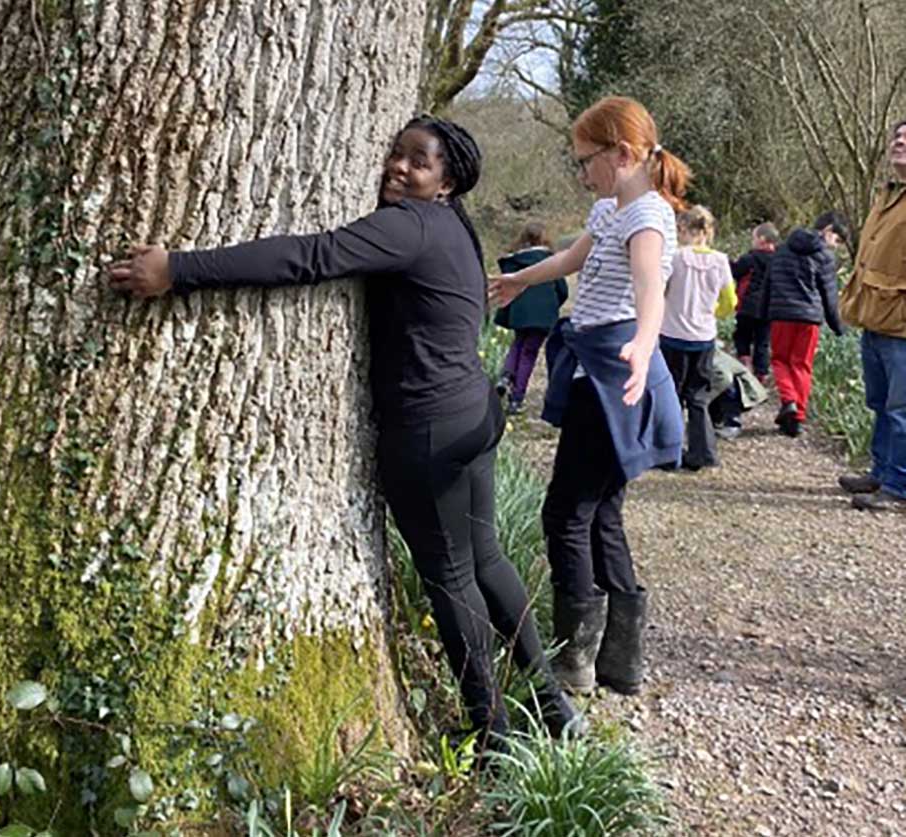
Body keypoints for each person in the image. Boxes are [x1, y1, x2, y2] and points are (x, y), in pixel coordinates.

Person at [107, 115, 581, 746]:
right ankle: (552, 707)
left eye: (419, 161)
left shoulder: (409, 225)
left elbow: (311, 257)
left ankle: (492, 735)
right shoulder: (453, 229)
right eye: (396, 153)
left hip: (431, 429)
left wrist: (181, 269)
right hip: (472, 412)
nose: (398, 166)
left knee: (451, 577)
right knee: (485, 558)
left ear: (446, 181)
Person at [489, 96, 687, 696]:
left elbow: (652, 289)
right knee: (601, 510)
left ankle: (575, 662)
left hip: (615, 372)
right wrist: (519, 278)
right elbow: (573, 259)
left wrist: (645, 343)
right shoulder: (608, 211)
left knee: (566, 513)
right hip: (595, 366)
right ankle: (619, 662)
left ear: (622, 154)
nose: (582, 173)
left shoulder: (648, 217)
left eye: (587, 161)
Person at [838, 119, 906, 513]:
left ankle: (899, 485)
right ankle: (881, 472)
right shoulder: (888, 194)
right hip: (876, 318)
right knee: (880, 403)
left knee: (902, 409)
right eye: (895, 137)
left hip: (900, 325)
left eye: (905, 139)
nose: (897, 142)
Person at [660, 205, 735, 470]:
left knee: (671, 394)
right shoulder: (721, 260)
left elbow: (661, 289)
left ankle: (668, 452)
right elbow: (730, 302)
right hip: (703, 336)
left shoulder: (675, 258)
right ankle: (703, 453)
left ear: (685, 229)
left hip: (672, 333)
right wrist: (711, 311)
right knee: (699, 396)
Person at [765, 210, 847, 437]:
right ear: (828, 230)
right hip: (809, 318)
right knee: (801, 365)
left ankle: (789, 401)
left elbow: (768, 285)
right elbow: (829, 294)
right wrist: (837, 325)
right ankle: (798, 417)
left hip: (781, 315)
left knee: (780, 361)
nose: (836, 246)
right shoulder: (825, 257)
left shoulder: (781, 251)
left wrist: (761, 315)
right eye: (837, 240)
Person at [493, 221, 568, 415]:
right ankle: (516, 398)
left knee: (518, 343)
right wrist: (551, 306)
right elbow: (563, 290)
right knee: (529, 353)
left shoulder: (516, 261)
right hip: (542, 316)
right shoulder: (550, 261)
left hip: (520, 313)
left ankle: (506, 375)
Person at [731, 222, 780, 382]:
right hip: (768, 308)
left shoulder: (749, 259)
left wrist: (727, 261)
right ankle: (762, 373)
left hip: (747, 306)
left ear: (762, 239)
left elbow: (735, 271)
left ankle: (745, 361)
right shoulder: (779, 261)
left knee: (742, 335)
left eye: (754, 237)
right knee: (763, 342)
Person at [709, 347, 769, 439]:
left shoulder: (713, 358)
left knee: (726, 390)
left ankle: (732, 425)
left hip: (744, 389)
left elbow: (725, 380)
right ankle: (715, 421)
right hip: (723, 382)